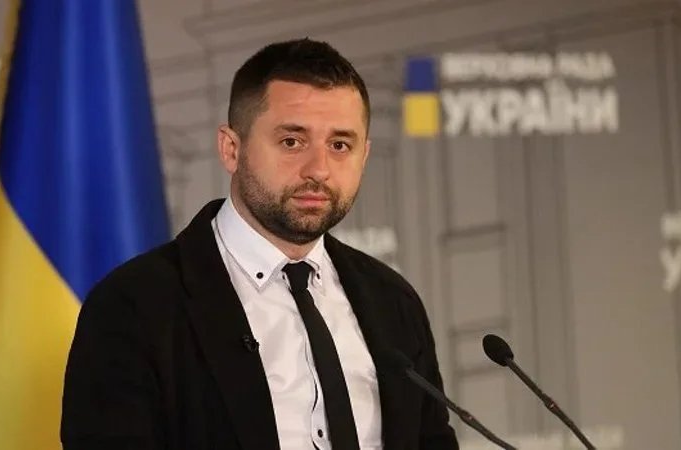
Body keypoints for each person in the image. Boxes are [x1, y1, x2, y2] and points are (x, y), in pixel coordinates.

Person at [61, 38, 458, 450]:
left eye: (340, 145)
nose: (319, 169)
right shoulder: (135, 304)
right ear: (231, 149)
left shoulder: (392, 301)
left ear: (364, 155)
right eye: (292, 142)